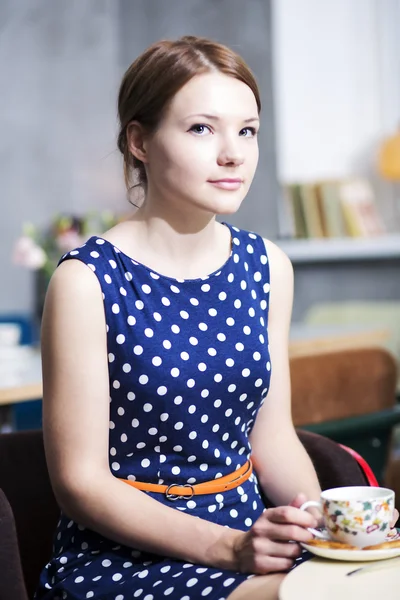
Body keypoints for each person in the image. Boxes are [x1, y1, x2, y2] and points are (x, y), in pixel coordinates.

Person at [34, 35, 330, 600]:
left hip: (253, 539)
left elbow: (274, 438)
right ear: (139, 141)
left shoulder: (267, 266)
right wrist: (227, 549)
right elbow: (80, 483)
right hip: (127, 560)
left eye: (247, 130)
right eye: (202, 128)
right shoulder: (86, 281)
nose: (233, 154)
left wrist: (321, 528)